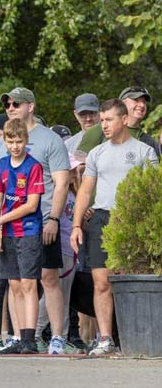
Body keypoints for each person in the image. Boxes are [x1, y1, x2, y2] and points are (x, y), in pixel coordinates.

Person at [71, 98, 158, 356]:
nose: (104, 125)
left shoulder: (145, 151)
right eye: (102, 120)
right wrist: (76, 225)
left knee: (132, 280)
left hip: (133, 221)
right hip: (101, 219)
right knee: (101, 282)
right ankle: (106, 339)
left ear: (123, 119)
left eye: (109, 120)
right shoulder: (97, 152)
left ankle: (137, 337)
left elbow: (154, 191)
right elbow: (86, 190)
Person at [0, 88, 71, 354]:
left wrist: (54, 218)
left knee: (47, 278)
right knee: (15, 281)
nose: (10, 107)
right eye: (7, 104)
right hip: (9, 225)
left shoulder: (50, 140)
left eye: (16, 103)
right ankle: (19, 336)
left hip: (41, 220)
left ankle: (57, 335)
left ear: (30, 106)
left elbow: (61, 183)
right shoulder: (2, 142)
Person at [0, 118, 45, 355]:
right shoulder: (1, 164)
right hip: (8, 232)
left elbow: (32, 205)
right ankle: (19, 336)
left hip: (28, 231)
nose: (15, 146)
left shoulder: (33, 166)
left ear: (26, 141)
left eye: (19, 141)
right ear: (4, 141)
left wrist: (0, 220)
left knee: (29, 283)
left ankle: (30, 338)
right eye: (10, 141)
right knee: (14, 283)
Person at [78, 86, 160, 155]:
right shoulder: (99, 130)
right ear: (121, 103)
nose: (142, 105)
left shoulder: (149, 141)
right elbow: (77, 164)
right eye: (136, 100)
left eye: (144, 102)